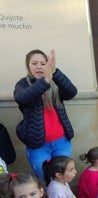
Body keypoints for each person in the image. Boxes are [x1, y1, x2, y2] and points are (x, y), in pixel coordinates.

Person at [14, 49, 78, 181]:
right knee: (45, 181)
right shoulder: (23, 84)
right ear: (28, 65)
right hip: (38, 146)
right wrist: (45, 80)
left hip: (62, 142)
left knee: (63, 179)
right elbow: (22, 98)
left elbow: (71, 92)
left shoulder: (55, 83)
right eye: (35, 63)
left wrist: (54, 72)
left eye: (43, 63)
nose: (39, 66)